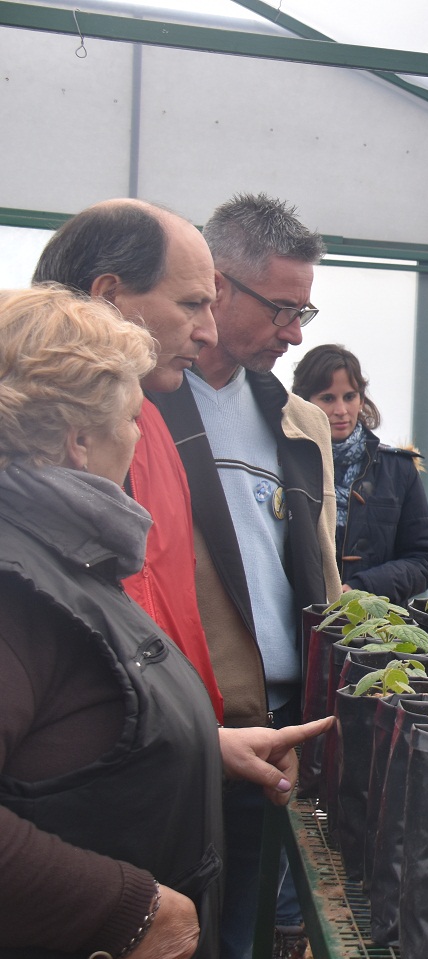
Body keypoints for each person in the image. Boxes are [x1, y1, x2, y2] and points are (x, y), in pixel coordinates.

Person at [0, 285, 332, 959]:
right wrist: (127, 911)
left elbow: (69, 722)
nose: (140, 437)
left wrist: (197, 742)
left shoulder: (61, 554)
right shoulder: (13, 585)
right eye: (130, 418)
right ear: (76, 441)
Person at [149, 193, 338, 959]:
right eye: (283, 309)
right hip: (180, 718)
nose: (296, 333)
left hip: (276, 720)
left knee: (240, 947)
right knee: (167, 935)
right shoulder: (144, 402)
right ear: (218, 287)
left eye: (305, 309)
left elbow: (322, 571)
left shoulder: (297, 421)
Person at [31, 198, 225, 720]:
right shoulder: (25, 437)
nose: (209, 333)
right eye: (191, 305)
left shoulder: (153, 424)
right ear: (109, 297)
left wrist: (200, 739)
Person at [291, 344, 428, 606]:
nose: (341, 410)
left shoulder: (398, 469)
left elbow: (423, 559)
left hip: (375, 632)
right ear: (303, 402)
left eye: (350, 396)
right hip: (297, 624)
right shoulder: (283, 465)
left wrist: (363, 589)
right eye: (328, 398)